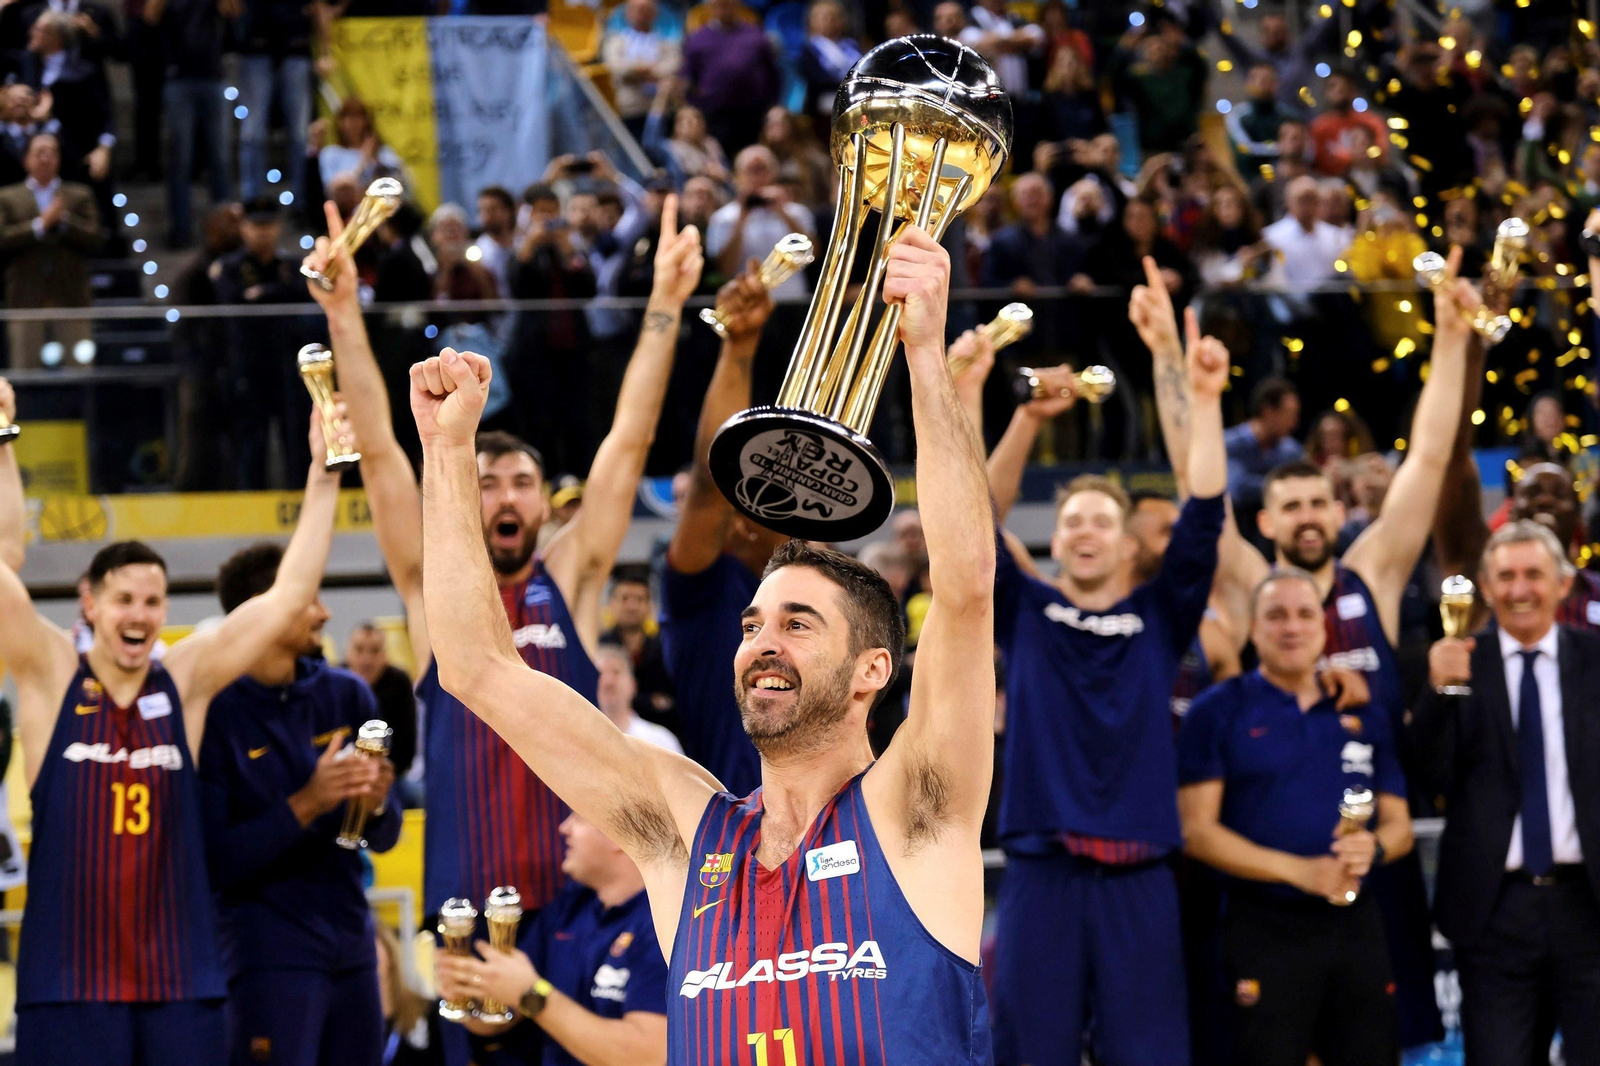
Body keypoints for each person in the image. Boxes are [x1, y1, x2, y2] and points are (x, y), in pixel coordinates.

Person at [414, 223, 997, 1064]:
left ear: (875, 669)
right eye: (754, 624)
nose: (764, 642)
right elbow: (476, 668)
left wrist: (927, 356)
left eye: (799, 624)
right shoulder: (684, 831)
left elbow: (967, 589)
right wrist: (446, 452)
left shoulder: (917, 808)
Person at [300, 192, 701, 990]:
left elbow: (629, 440)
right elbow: (380, 455)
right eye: (487, 484)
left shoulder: (573, 576)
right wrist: (344, 311)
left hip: (580, 912)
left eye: (523, 483)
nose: (507, 498)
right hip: (466, 918)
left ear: (545, 501)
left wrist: (663, 302)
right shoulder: (427, 586)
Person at [1187, 251, 1476, 1052]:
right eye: (1291, 505)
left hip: (1373, 856)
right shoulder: (1251, 585)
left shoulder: (1372, 572)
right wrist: (1191, 388)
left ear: (1337, 506)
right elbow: (1200, 494)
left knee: (1385, 1042)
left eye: (1320, 499)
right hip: (1270, 872)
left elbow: (1426, 459)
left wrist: (1450, 342)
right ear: (1268, 521)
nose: (1310, 514)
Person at [0, 406, 344, 1066]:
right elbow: (5, 568)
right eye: (124, 599)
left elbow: (289, 592)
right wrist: (5, 443)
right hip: (68, 982)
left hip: (181, 980)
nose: (140, 615)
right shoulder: (50, 676)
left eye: (152, 602)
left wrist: (322, 475)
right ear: (90, 604)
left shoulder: (182, 681)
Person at [979, 299, 1230, 1064]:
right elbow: (968, 519)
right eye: (1073, 521)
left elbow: (1206, 514)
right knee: (1030, 1052)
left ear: (1126, 545)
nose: (1085, 530)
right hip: (1042, 872)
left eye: (1100, 521)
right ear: (1054, 542)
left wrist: (1209, 400)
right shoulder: (1027, 609)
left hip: (1141, 874)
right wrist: (1027, 417)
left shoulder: (1160, 615)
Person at [1179, 567, 1414, 1066]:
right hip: (1263, 926)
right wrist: (1301, 872)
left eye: (1305, 614)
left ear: (1324, 628)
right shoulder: (1216, 711)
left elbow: (1400, 826)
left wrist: (1372, 847)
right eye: (1276, 615)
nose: (1292, 627)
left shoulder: (1363, 712)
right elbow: (1196, 832)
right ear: (1254, 628)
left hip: (1357, 925)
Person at [201, 538, 403, 1066]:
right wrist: (308, 803)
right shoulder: (216, 711)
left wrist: (377, 804)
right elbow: (217, 861)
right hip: (266, 955)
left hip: (352, 946)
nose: (326, 612)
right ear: (266, 610)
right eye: (310, 598)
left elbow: (384, 835)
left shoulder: (349, 694)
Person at [1413, 520, 1600, 1064]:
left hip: (1589, 905)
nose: (1520, 590)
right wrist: (1438, 693)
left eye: (1534, 575)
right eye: (1506, 577)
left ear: (1563, 584)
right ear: (1486, 587)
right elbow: (1429, 777)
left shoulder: (1595, 663)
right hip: (1494, 912)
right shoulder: (1458, 663)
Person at [657, 263, 778, 798]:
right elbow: (713, 479)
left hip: (836, 826)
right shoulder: (701, 593)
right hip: (736, 830)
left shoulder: (827, 593)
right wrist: (740, 347)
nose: (766, 505)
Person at [435, 813, 668, 1066]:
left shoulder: (665, 921)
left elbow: (648, 1056)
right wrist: (467, 988)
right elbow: (501, 1017)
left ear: (619, 834)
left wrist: (533, 995)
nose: (563, 827)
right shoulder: (569, 907)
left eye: (578, 817)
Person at [0, 131, 99, 368]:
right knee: (25, 372)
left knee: (81, 370)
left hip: (71, 296)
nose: (46, 158)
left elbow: (95, 237)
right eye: (39, 153)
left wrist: (64, 221)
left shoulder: (79, 195)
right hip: (25, 297)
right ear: (26, 160)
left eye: (52, 152)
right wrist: (40, 225)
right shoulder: (7, 197)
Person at [146, 0, 231, 248]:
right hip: (178, 76)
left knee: (220, 159)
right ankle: (181, 230)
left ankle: (225, 232)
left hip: (213, 75)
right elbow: (150, 16)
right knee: (179, 159)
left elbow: (232, 11)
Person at [705, 145, 815, 299]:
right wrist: (742, 217)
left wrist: (783, 212)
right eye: (751, 171)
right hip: (747, 302)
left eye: (763, 169)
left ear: (774, 173)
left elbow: (814, 256)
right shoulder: (723, 218)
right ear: (738, 176)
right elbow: (725, 269)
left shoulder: (797, 213)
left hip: (793, 300)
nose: (758, 177)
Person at [678, 0, 779, 157]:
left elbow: (772, 74)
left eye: (728, 3)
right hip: (714, 117)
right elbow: (688, 79)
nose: (724, 7)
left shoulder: (756, 35)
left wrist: (771, 104)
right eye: (719, 4)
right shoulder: (697, 39)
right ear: (710, 6)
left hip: (753, 115)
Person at [344, 622, 420, 780]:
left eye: (375, 651)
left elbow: (407, 748)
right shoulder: (335, 682)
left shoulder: (399, 682)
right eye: (359, 650)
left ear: (386, 655)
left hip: (389, 776)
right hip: (344, 778)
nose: (366, 660)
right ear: (347, 653)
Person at [598, 567, 674, 726]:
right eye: (624, 598)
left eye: (639, 599)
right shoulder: (599, 649)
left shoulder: (665, 650)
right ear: (611, 604)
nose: (632, 606)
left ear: (650, 606)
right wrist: (649, 702)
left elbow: (671, 704)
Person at [1224, 377, 1303, 518]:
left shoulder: (1291, 450)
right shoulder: (1230, 443)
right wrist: (1282, 485)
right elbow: (1235, 491)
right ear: (1267, 411)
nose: (1294, 424)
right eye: (1289, 415)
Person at [601, 0, 680, 140]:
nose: (642, 14)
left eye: (646, 9)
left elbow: (673, 65)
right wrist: (647, 69)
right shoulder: (617, 41)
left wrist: (639, 70)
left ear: (654, 13)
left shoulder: (666, 41)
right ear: (628, 13)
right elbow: (617, 66)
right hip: (630, 109)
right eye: (638, 9)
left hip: (662, 108)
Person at [1261, 175, 1349, 286]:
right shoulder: (1271, 237)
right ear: (1288, 202)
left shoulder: (1337, 236)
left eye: (1312, 199)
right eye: (1302, 200)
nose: (1308, 206)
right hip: (1289, 299)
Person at [594, 645, 681, 755]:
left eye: (616, 672)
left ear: (633, 685)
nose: (608, 681)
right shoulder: (580, 740)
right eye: (600, 674)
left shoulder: (660, 741)